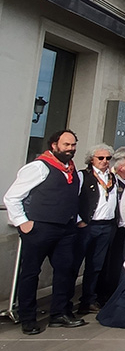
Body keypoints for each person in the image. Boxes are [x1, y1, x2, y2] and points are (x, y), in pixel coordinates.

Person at [4, 129, 86, 334]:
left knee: (65, 271)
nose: (70, 149)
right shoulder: (39, 167)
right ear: (54, 145)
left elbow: (69, 197)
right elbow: (12, 197)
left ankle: (59, 313)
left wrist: (76, 220)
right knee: (31, 273)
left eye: (73, 145)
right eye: (66, 145)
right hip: (40, 227)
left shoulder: (71, 169)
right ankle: (28, 317)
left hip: (65, 229)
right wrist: (23, 222)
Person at [73, 143, 117, 314]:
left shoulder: (111, 178)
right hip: (87, 226)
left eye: (108, 158)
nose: (104, 161)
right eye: (101, 158)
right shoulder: (83, 176)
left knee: (96, 265)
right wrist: (79, 220)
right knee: (75, 264)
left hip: (106, 226)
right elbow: (73, 199)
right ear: (92, 159)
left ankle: (89, 299)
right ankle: (65, 302)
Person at [95, 150, 125, 306]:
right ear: (120, 166)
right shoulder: (112, 180)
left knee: (123, 260)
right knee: (107, 261)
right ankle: (103, 294)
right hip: (113, 225)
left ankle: (119, 290)